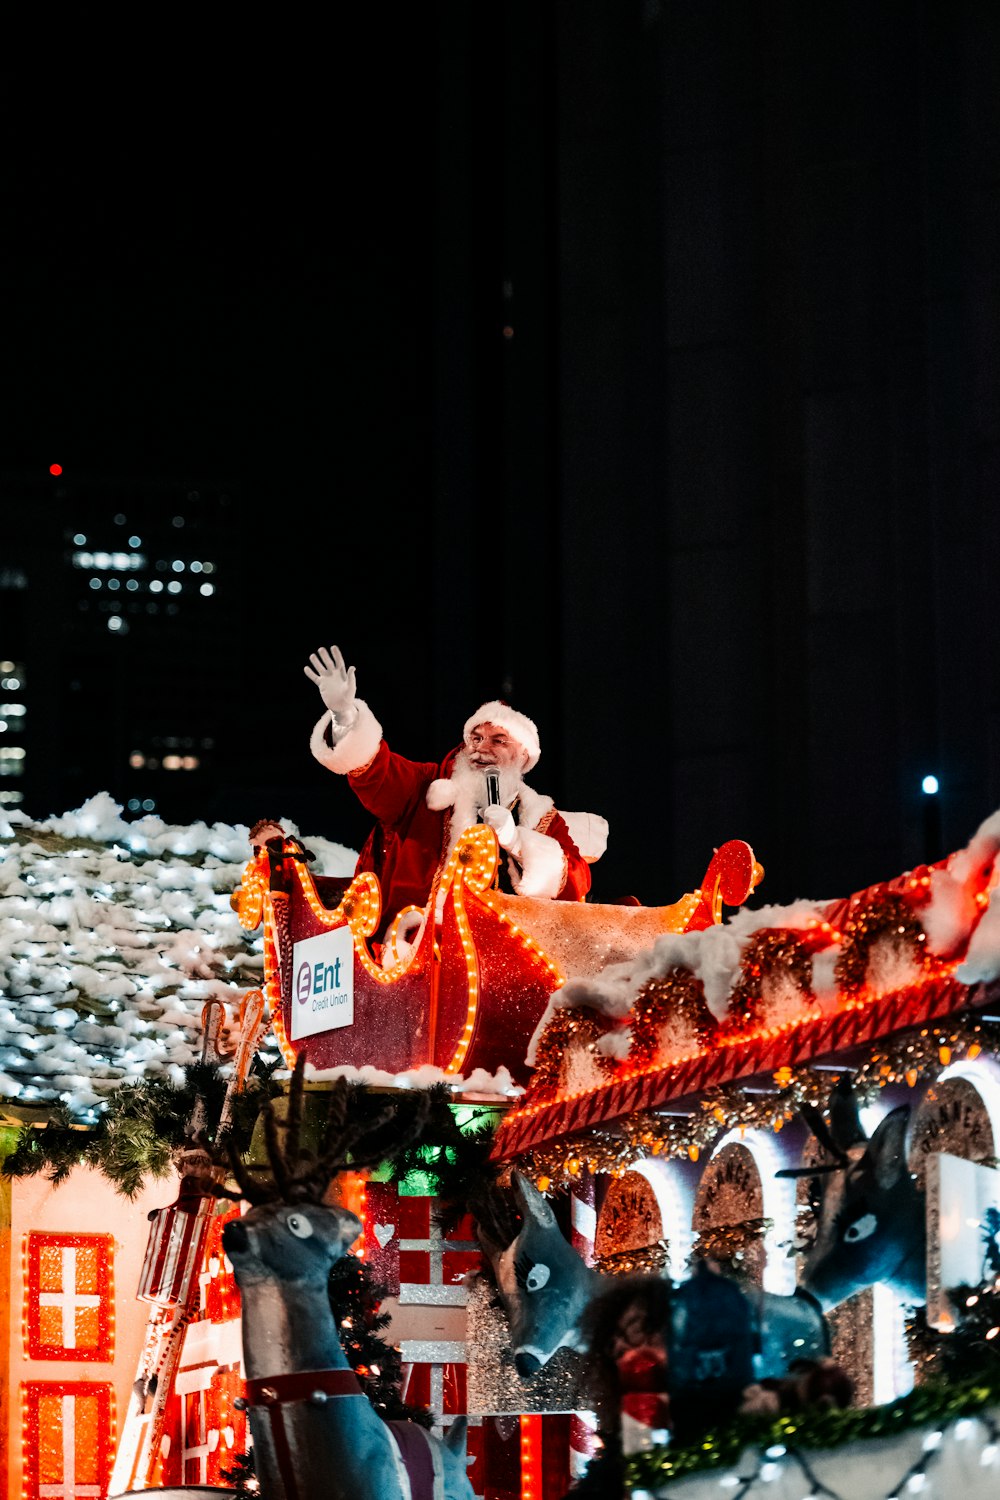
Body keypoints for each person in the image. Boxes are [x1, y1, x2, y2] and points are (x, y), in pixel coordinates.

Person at [304, 644, 602, 936]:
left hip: (507, 950)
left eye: (498, 740)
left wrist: (515, 840)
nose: (482, 748)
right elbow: (377, 773)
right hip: (418, 945)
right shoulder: (426, 787)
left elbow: (577, 881)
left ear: (523, 756)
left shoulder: (542, 819)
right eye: (475, 738)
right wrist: (345, 716)